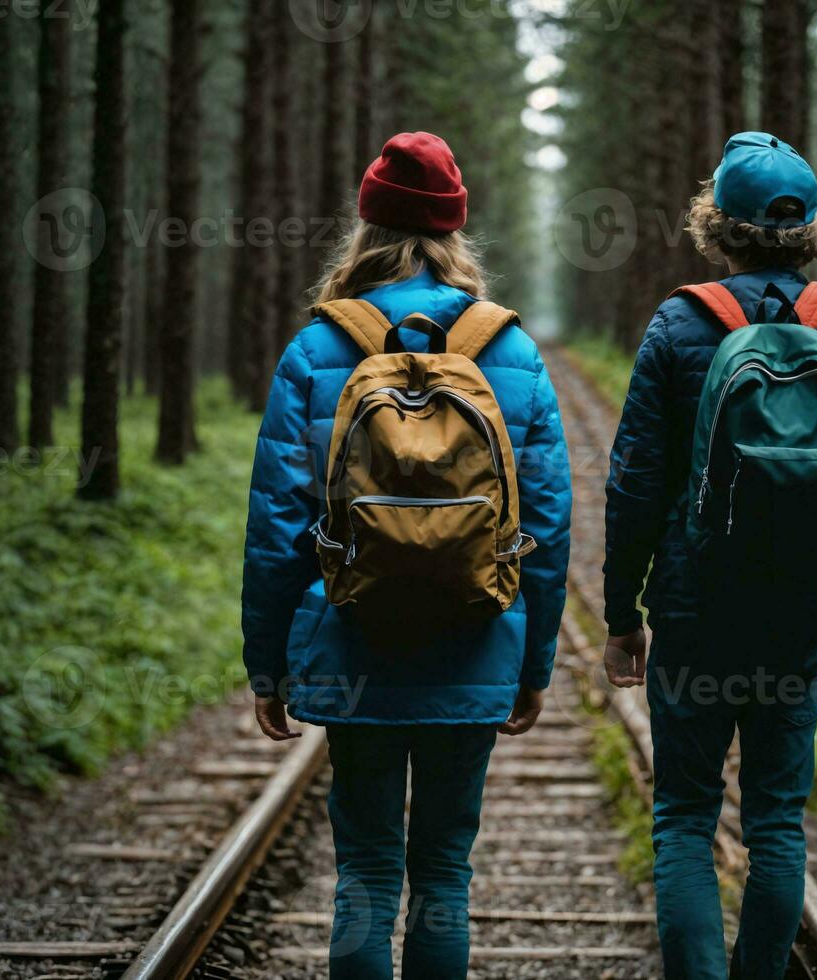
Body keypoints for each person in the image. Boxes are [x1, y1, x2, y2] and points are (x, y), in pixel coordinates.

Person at [241, 132, 572, 979]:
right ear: (455, 230)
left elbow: (279, 522)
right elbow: (548, 523)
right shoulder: (510, 350)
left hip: (354, 640)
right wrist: (533, 665)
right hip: (475, 638)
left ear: (367, 227)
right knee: (443, 874)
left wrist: (269, 666)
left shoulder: (316, 349)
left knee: (366, 869)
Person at [601, 132, 817, 979]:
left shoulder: (679, 324)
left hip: (696, 609)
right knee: (776, 819)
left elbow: (631, 487)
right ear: (810, 229)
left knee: (686, 815)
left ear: (717, 226)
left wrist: (621, 616)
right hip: (802, 611)